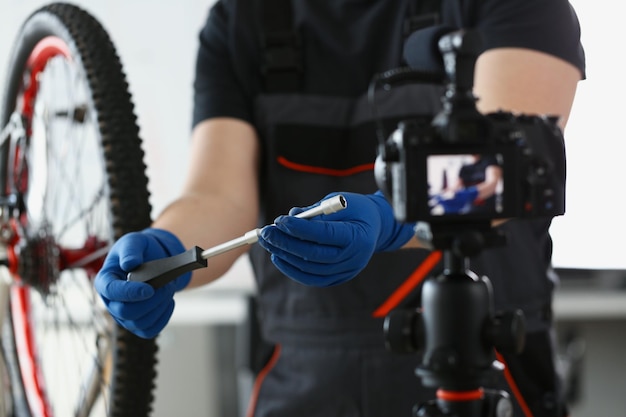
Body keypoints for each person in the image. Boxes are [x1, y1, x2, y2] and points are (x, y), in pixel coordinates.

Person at [95, 1, 585, 416]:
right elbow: (218, 196)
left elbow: (510, 164)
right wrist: (166, 248)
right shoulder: (240, 20)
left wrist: (391, 219)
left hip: (485, 368)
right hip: (302, 381)